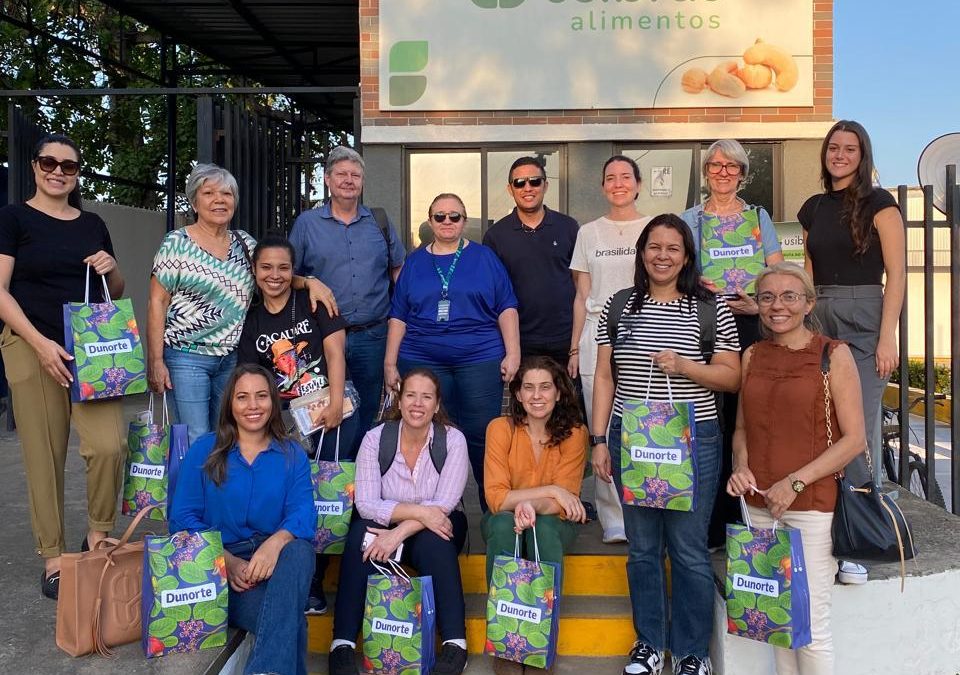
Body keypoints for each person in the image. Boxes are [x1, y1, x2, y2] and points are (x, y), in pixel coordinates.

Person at [591, 214, 741, 675]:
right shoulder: (619, 306)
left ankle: (693, 652)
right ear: (641, 253)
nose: (662, 256)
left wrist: (684, 366)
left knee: (689, 548)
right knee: (642, 547)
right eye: (654, 247)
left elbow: (732, 377)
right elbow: (603, 376)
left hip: (694, 442)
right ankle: (650, 644)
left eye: (673, 248)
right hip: (631, 439)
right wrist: (599, 439)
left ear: (687, 256)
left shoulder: (711, 309)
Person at [0, 133, 126, 600]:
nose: (58, 171)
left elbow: (116, 288)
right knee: (44, 452)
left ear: (77, 174)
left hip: (90, 347)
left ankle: (97, 532)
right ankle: (53, 555)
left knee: (109, 445)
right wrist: (39, 343)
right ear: (34, 167)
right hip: (30, 342)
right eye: (49, 162)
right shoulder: (13, 219)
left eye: (68, 166)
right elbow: (0, 290)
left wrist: (111, 266)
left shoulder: (92, 222)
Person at [728, 262, 866, 675]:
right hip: (758, 504)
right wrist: (741, 466)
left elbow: (854, 440)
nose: (777, 306)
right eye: (767, 297)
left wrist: (795, 481)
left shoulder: (832, 355)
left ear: (809, 303)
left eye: (790, 296)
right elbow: (741, 428)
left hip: (810, 505)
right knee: (776, 621)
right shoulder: (752, 355)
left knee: (811, 627)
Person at [149, 163, 332, 445]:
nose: (219, 200)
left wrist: (308, 282)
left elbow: (272, 273)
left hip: (231, 360)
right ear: (194, 201)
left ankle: (222, 489)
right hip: (187, 357)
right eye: (209, 193)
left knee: (227, 435)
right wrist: (156, 360)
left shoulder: (243, 243)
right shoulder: (176, 243)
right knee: (196, 438)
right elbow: (157, 302)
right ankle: (196, 490)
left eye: (226, 193)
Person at [798, 120, 905, 585]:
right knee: (821, 421)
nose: (840, 155)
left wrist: (888, 336)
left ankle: (862, 539)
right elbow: (805, 271)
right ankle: (828, 524)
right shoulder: (813, 208)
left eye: (850, 148)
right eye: (834, 147)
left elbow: (897, 275)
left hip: (865, 314)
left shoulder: (881, 204)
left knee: (855, 423)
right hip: (819, 312)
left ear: (862, 156)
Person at [170, 363, 316, 675]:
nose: (253, 406)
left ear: (273, 403)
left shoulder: (291, 453)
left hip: (274, 566)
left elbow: (304, 515)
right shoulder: (204, 450)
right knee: (291, 620)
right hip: (219, 568)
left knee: (300, 550)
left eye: (261, 396)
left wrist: (275, 544)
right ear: (230, 404)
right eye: (243, 397)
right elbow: (182, 517)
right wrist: (227, 561)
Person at [235, 232, 352, 615]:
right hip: (286, 419)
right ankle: (292, 575)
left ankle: (317, 580)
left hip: (332, 407)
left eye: (283, 268)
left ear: (293, 271)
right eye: (266, 267)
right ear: (254, 271)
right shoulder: (252, 320)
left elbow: (335, 353)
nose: (275, 275)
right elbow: (252, 377)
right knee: (292, 494)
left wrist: (334, 402)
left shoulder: (314, 299)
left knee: (328, 491)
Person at [328, 368, 470, 675]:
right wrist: (417, 514)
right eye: (411, 395)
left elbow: (444, 504)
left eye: (426, 397)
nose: (417, 404)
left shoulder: (453, 440)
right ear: (399, 399)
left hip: (438, 525)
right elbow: (366, 505)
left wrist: (401, 531)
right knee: (358, 538)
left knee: (438, 542)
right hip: (393, 524)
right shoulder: (375, 439)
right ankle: (341, 645)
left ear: (437, 404)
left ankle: (455, 644)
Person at [384, 193, 520, 512]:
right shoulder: (415, 261)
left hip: (479, 358)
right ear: (430, 221)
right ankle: (442, 510)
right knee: (432, 433)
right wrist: (390, 363)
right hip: (422, 359)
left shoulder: (485, 258)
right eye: (440, 216)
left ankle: (493, 508)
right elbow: (398, 315)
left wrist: (513, 352)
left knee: (481, 434)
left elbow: (507, 307)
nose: (447, 222)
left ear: (465, 221)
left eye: (454, 216)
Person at [680, 139, 785, 549]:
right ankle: (711, 522)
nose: (722, 172)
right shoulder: (689, 218)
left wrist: (757, 304)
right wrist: (696, 286)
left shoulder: (760, 217)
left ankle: (752, 515)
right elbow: (677, 269)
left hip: (749, 327)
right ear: (706, 173)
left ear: (743, 173)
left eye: (731, 166)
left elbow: (778, 275)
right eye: (715, 166)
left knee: (752, 417)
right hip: (706, 328)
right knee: (711, 423)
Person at [289, 146, 407, 456]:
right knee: (326, 411)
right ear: (327, 179)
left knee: (367, 415)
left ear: (363, 182)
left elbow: (398, 268)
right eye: (341, 174)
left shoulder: (378, 221)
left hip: (372, 336)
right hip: (323, 337)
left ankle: (359, 490)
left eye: (355, 175)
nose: (349, 180)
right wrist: (310, 281)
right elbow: (286, 276)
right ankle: (329, 482)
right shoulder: (307, 224)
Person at [483, 356, 587, 675]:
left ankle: (541, 638)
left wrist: (536, 503)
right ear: (517, 394)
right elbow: (497, 499)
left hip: (554, 523)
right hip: (506, 518)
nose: (537, 395)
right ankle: (506, 636)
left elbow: (566, 505)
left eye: (545, 387)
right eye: (528, 388)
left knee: (541, 530)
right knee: (502, 524)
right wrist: (552, 491)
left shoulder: (575, 432)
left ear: (558, 393)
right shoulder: (500, 428)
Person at [569, 155, 652, 544]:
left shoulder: (654, 228)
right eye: (610, 178)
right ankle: (612, 514)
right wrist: (574, 347)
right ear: (603, 186)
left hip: (645, 331)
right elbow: (582, 295)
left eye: (625, 177)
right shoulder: (589, 233)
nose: (618, 183)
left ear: (638, 184)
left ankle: (646, 507)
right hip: (597, 334)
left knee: (641, 424)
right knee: (599, 426)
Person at [483, 157, 580, 364]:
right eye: (520, 183)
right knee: (527, 397)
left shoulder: (569, 228)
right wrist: (509, 349)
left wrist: (576, 347)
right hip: (520, 341)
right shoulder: (496, 236)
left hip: (565, 339)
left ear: (545, 185)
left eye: (534, 181)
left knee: (568, 397)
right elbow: (493, 295)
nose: (528, 188)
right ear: (510, 189)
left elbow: (580, 285)